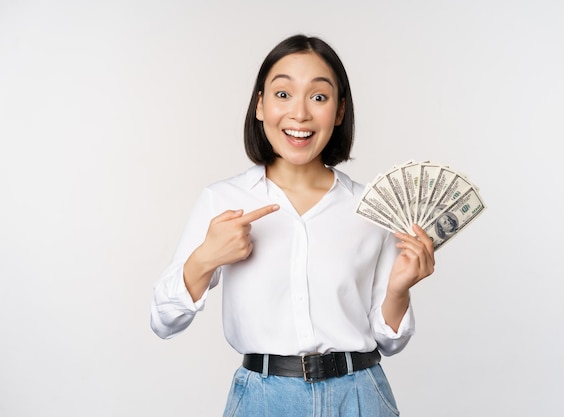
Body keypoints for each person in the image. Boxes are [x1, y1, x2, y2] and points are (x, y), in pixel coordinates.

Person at [150, 34, 435, 417]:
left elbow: (391, 341)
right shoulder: (222, 201)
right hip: (263, 400)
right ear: (260, 106)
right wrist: (204, 259)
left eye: (319, 97)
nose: (300, 113)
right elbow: (164, 321)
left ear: (339, 111)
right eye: (283, 94)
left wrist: (399, 290)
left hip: (360, 397)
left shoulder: (370, 208)